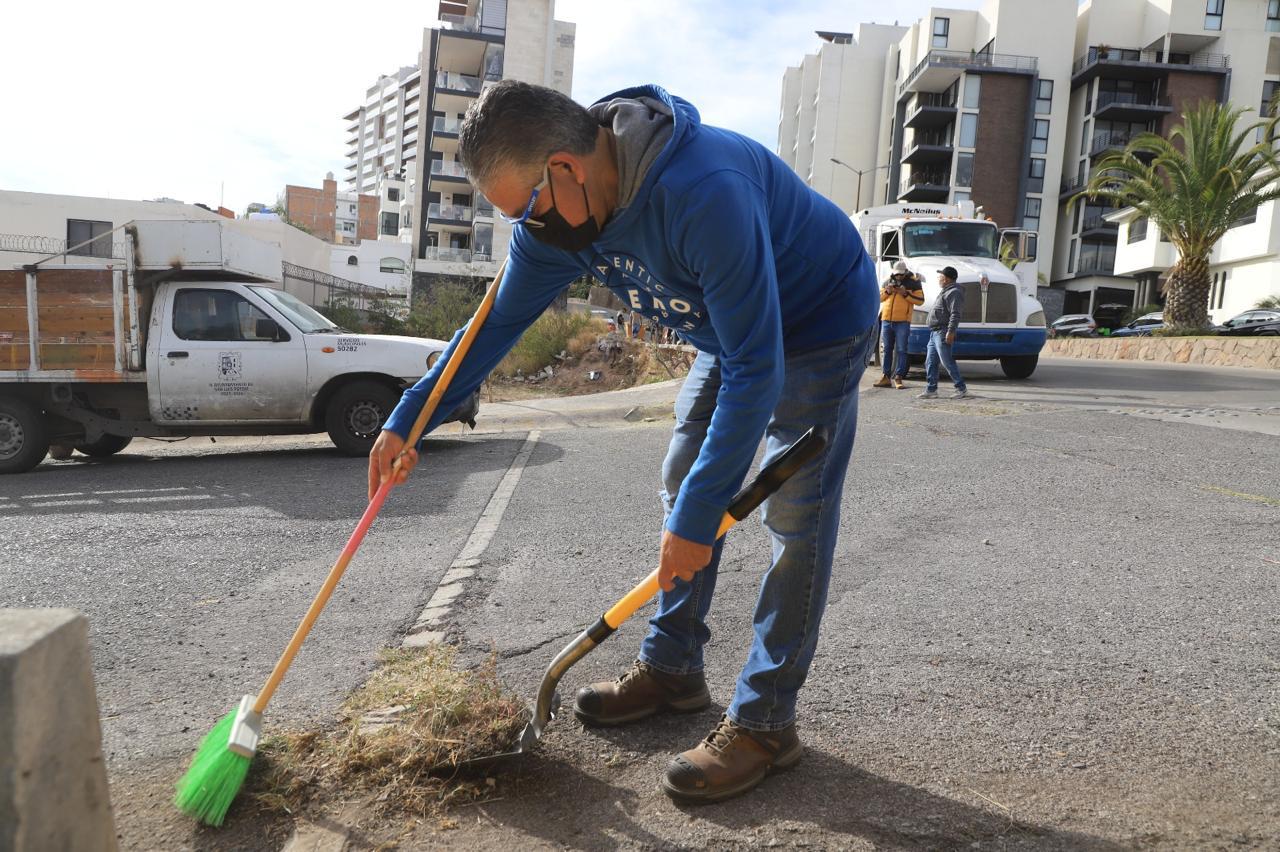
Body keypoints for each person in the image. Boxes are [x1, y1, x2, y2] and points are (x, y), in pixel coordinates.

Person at [367, 81, 879, 804]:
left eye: (526, 208)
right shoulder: (557, 224)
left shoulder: (704, 189)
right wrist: (409, 417)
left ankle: (767, 723)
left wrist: (699, 519)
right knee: (684, 479)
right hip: (727, 335)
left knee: (793, 519)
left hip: (819, 320)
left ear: (567, 168)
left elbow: (758, 368)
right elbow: (494, 326)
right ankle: (673, 670)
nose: (527, 228)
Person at [918, 266, 971, 400]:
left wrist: (950, 331)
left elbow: (955, 314)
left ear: (946, 279)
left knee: (947, 361)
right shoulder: (945, 291)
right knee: (930, 362)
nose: (939, 279)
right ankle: (931, 390)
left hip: (942, 331)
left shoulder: (954, 292)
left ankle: (961, 388)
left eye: (940, 276)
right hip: (934, 332)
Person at [872, 260, 924, 389]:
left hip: (902, 321)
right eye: (896, 274)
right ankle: (885, 376)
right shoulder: (887, 280)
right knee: (887, 349)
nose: (898, 276)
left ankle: (899, 377)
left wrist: (905, 293)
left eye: (901, 274)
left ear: (905, 272)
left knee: (901, 350)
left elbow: (920, 301)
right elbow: (878, 298)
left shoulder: (914, 282)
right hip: (886, 320)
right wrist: (888, 292)